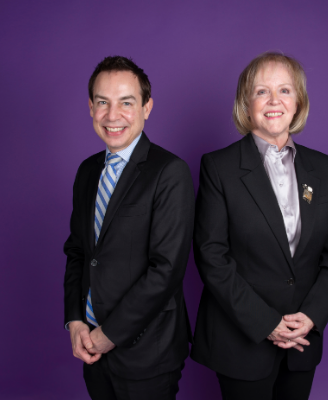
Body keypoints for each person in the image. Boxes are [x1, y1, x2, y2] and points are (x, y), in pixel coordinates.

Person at [190, 52, 328, 399]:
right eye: (262, 91)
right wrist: (268, 324)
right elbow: (211, 256)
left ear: (299, 103)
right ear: (246, 104)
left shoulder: (323, 169)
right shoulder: (219, 168)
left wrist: (312, 315)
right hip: (241, 343)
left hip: (302, 340)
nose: (274, 101)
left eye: (285, 91)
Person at [63, 56, 194, 400]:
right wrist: (76, 321)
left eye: (126, 102)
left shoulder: (169, 172)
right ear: (91, 107)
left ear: (147, 107)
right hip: (92, 347)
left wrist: (110, 334)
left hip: (147, 351)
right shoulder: (87, 171)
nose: (112, 115)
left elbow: (166, 270)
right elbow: (78, 252)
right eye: (103, 102)